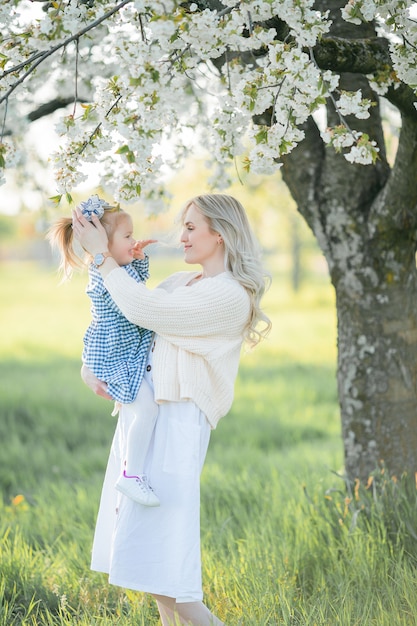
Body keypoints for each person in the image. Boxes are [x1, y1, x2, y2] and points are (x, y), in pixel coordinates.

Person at [72, 193, 271, 626]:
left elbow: (143, 308)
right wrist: (89, 365)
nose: (180, 237)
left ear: (219, 234)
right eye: (183, 226)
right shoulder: (181, 283)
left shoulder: (229, 296)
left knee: (162, 559)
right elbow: (120, 320)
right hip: (143, 417)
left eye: (191, 227)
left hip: (177, 419)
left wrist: (103, 256)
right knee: (149, 554)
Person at [47, 195, 160, 507]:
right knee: (147, 409)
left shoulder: (114, 268)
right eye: (127, 236)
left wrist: (136, 257)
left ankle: (132, 471)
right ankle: (131, 476)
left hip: (124, 352)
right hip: (114, 358)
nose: (134, 240)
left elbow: (133, 285)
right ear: (102, 244)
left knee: (142, 410)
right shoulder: (102, 276)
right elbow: (132, 300)